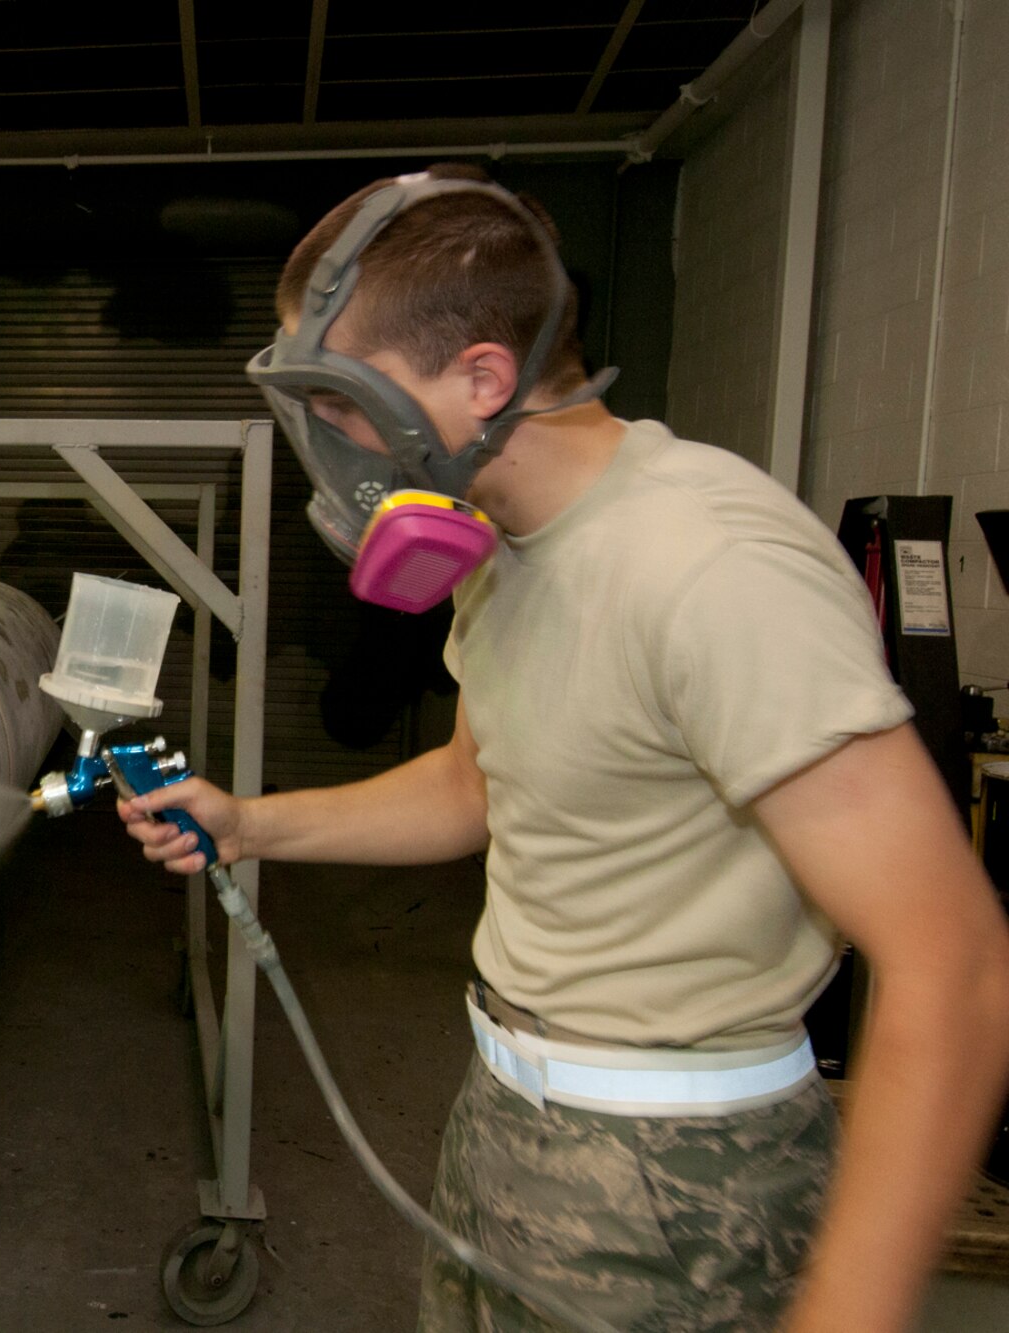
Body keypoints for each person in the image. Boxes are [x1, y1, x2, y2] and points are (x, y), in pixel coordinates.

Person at [119, 163, 1009, 1332]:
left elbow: (953, 966)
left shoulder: (710, 564)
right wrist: (251, 822)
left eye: (340, 404)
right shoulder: (499, 550)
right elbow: (474, 786)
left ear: (482, 377)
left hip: (684, 1176)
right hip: (508, 1122)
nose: (328, 445)